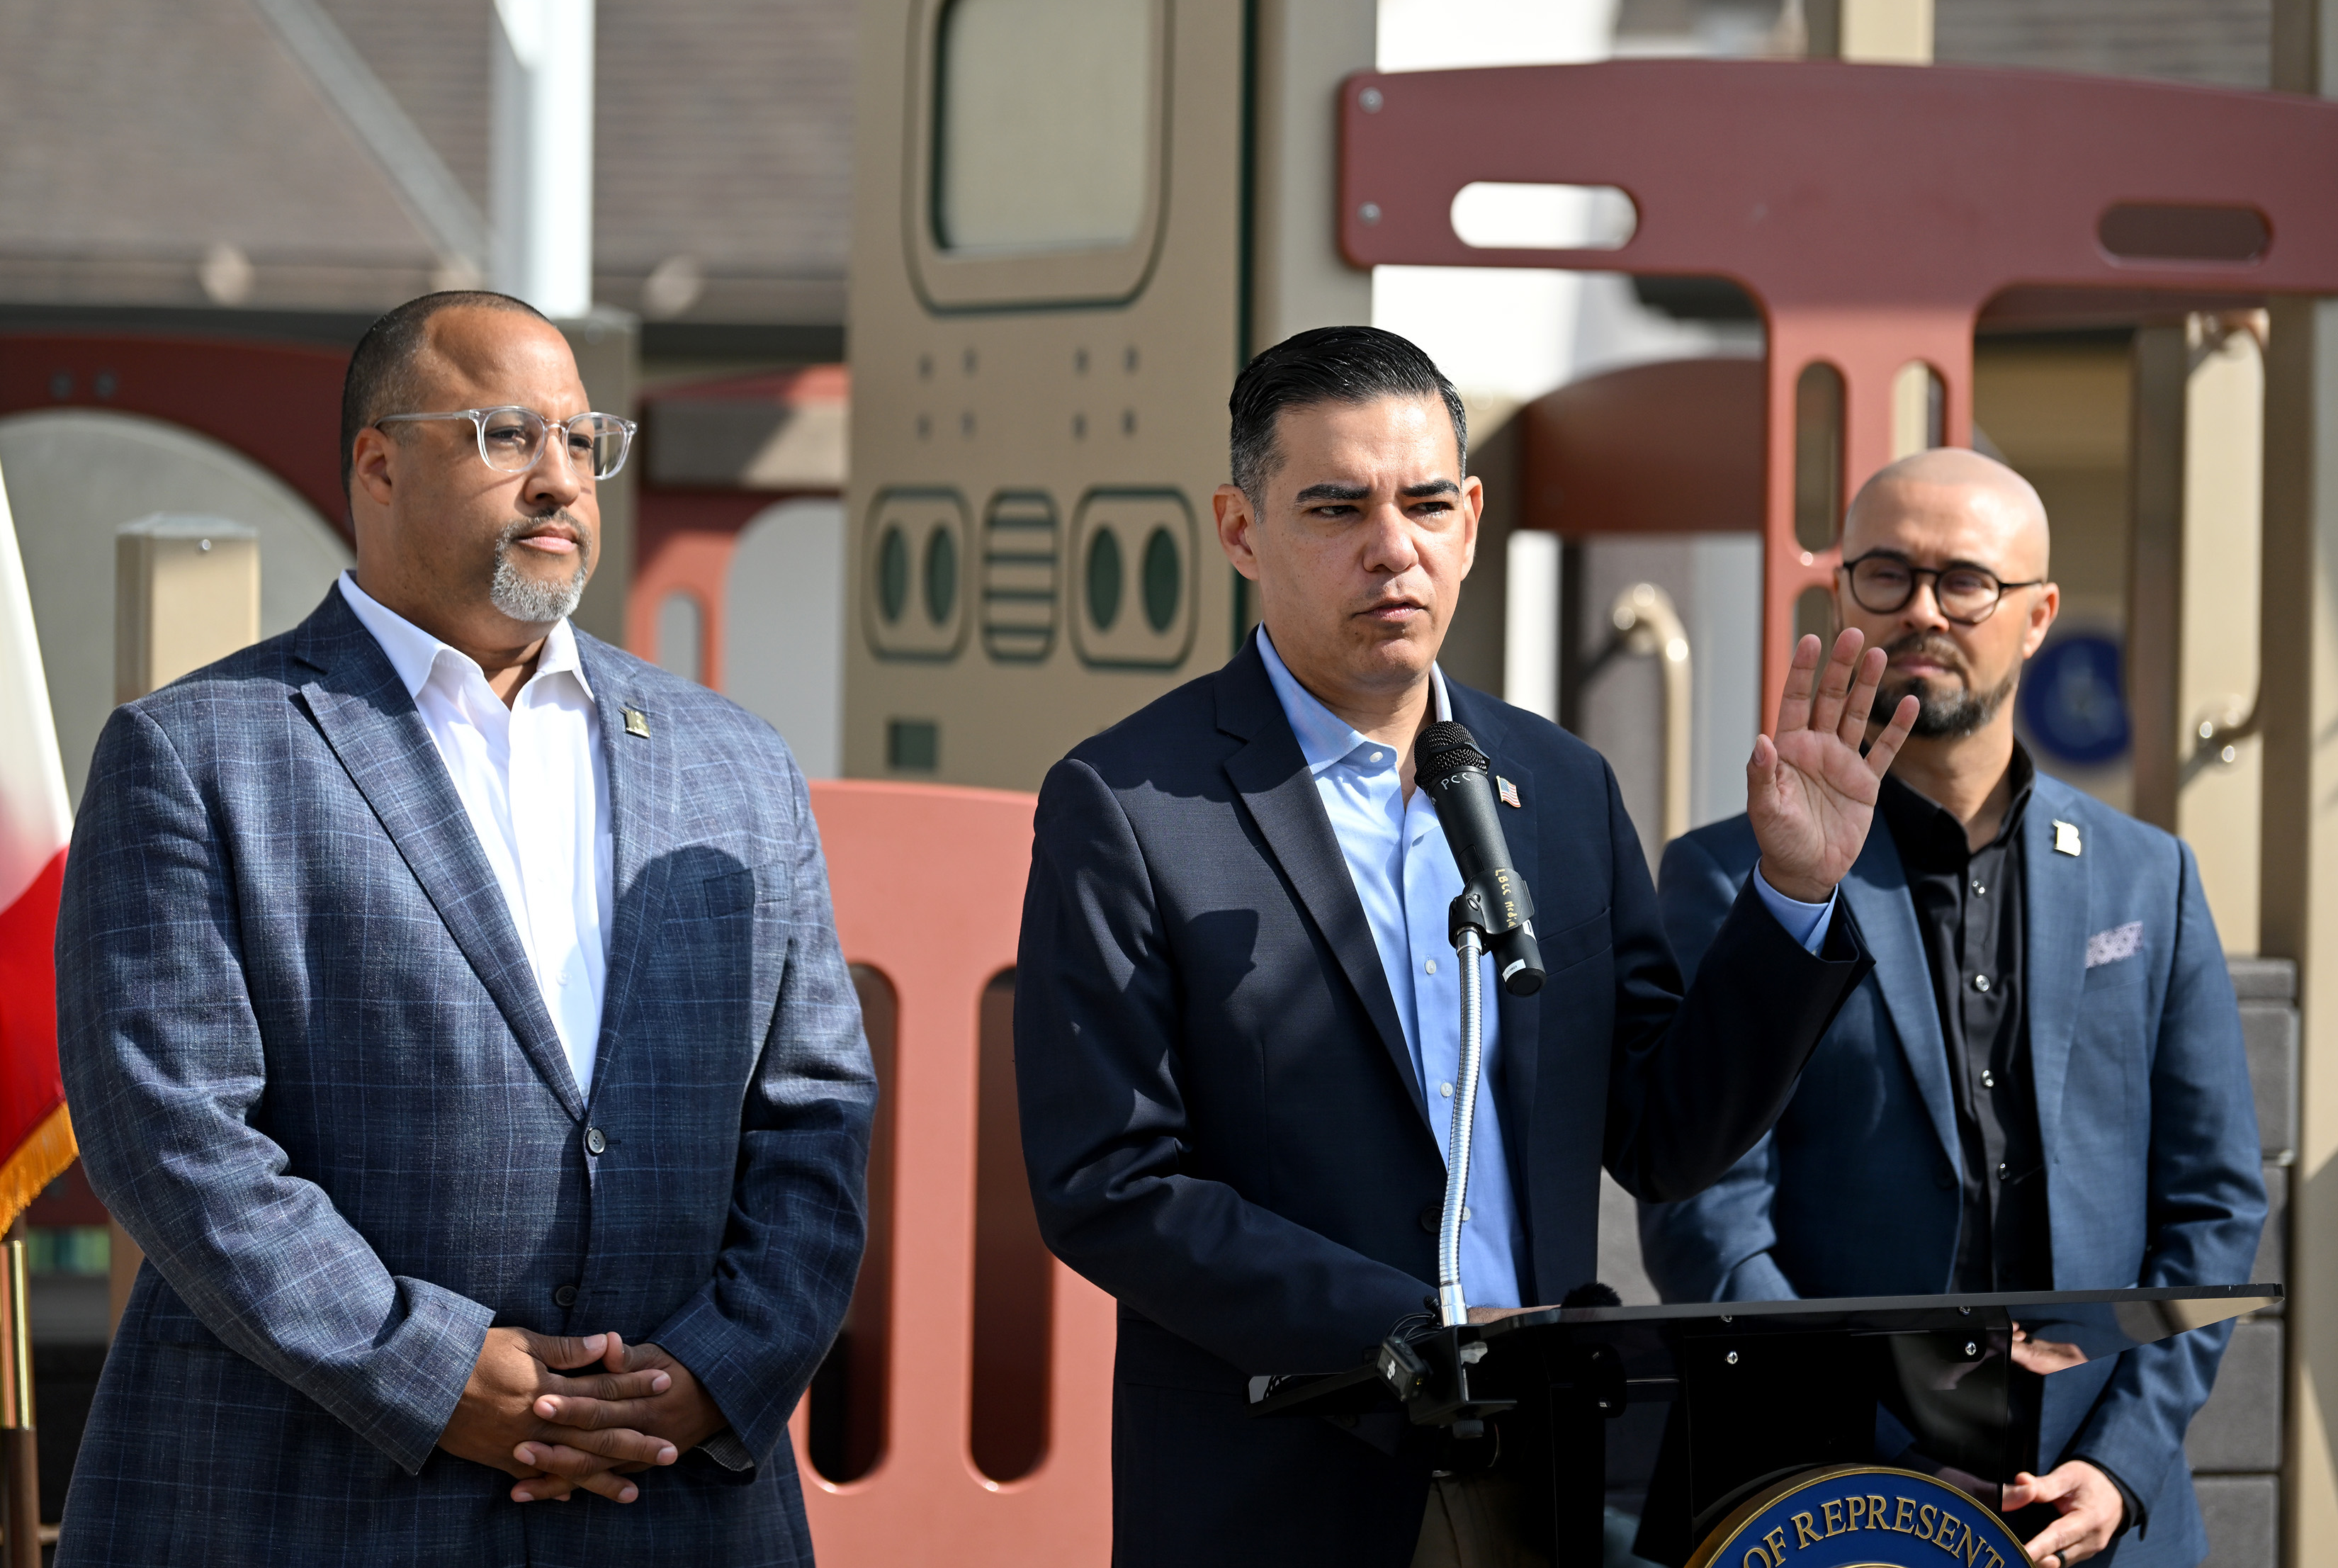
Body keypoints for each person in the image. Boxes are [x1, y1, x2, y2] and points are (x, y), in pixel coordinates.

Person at [1012, 325, 1923, 1568]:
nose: (1393, 547)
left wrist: (1792, 897)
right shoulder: (1130, 802)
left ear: (1472, 516)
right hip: (1278, 1486)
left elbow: (1663, 1137)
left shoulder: (1558, 782)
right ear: (1240, 529)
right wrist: (1415, 1325)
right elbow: (1107, 1183)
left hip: (1535, 1477)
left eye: (1426, 502)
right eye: (1336, 507)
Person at [55, 291, 874, 1565]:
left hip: (670, 1501)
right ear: (376, 462)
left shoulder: (735, 760)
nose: (559, 480)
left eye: (582, 441)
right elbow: (172, 1133)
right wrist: (435, 1375)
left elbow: (814, 1113)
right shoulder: (198, 751)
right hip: (314, 1497)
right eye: (505, 436)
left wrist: (723, 1365)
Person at [1641, 449, 2265, 1568]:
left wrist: (2121, 1465)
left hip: (2098, 1511)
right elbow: (1707, 1214)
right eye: (1886, 574)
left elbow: (2213, 1206)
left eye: (1966, 580)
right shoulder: (1734, 875)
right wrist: (1884, 1461)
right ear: (1843, 597)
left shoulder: (2147, 876)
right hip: (1822, 1512)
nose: (1924, 609)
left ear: (2040, 616)